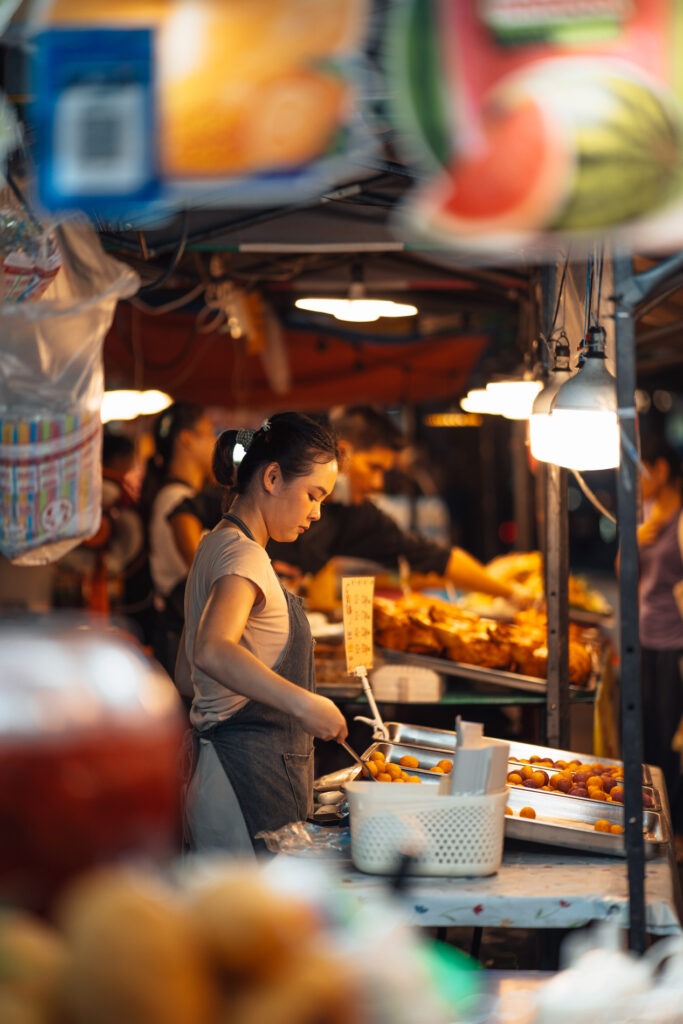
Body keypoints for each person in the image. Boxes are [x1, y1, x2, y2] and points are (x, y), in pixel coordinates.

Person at [176, 412, 348, 854]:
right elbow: (211, 650)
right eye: (313, 494)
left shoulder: (214, 544)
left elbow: (185, 673)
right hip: (243, 783)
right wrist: (304, 703)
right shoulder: (246, 557)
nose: (317, 512)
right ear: (272, 477)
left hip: (214, 778)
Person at [267, 405, 531, 604]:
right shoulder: (278, 483)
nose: (379, 483)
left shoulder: (355, 517)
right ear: (343, 454)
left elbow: (434, 556)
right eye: (374, 467)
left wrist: (512, 593)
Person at [140, 402, 216, 676]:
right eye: (208, 434)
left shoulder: (181, 497)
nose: (213, 444)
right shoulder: (176, 502)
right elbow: (201, 570)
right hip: (179, 637)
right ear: (186, 439)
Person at [636, 432, 683, 835]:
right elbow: (623, 572)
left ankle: (675, 828)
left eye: (641, 471)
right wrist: (630, 544)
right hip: (643, 637)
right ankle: (653, 819)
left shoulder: (681, 518)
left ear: (662, 469)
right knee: (645, 732)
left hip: (675, 642)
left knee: (672, 738)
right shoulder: (643, 512)